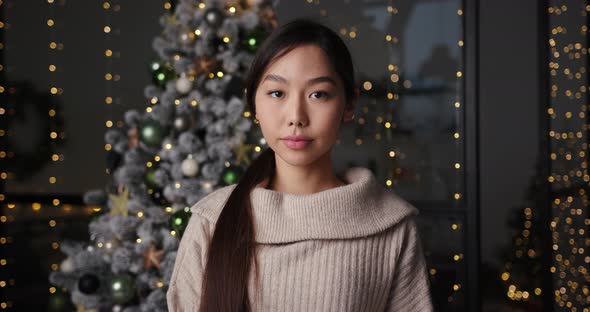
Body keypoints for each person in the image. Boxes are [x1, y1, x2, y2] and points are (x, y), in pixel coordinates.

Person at [167, 18, 434, 312]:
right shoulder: (212, 220)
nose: (296, 116)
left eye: (318, 94)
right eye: (277, 93)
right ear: (254, 104)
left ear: (349, 105)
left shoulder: (390, 224)